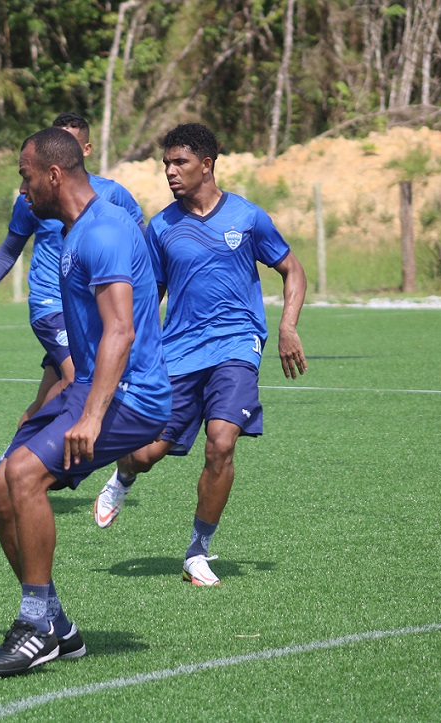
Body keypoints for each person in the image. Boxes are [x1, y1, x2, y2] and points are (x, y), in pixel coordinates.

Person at [0, 128, 171, 677]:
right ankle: (57, 625)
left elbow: (121, 331)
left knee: (24, 476)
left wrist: (90, 414)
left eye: (26, 176)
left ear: (54, 175)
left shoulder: (104, 231)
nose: (23, 190)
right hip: (90, 386)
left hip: (131, 396)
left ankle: (36, 625)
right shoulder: (73, 229)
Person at [93, 123, 308, 587]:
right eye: (166, 164)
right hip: (180, 351)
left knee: (222, 443)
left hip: (237, 344)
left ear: (206, 165)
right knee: (146, 454)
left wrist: (287, 326)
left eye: (180, 163)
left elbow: (292, 270)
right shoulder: (161, 227)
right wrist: (136, 351)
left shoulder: (249, 218)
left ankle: (197, 551)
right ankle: (123, 477)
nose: (170, 172)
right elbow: (151, 296)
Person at [0, 112, 145, 478]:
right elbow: (10, 246)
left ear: (83, 150)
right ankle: (32, 464)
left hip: (88, 313)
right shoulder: (32, 196)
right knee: (77, 377)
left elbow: (142, 241)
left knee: (47, 398)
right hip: (50, 304)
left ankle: (9, 461)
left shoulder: (112, 197)